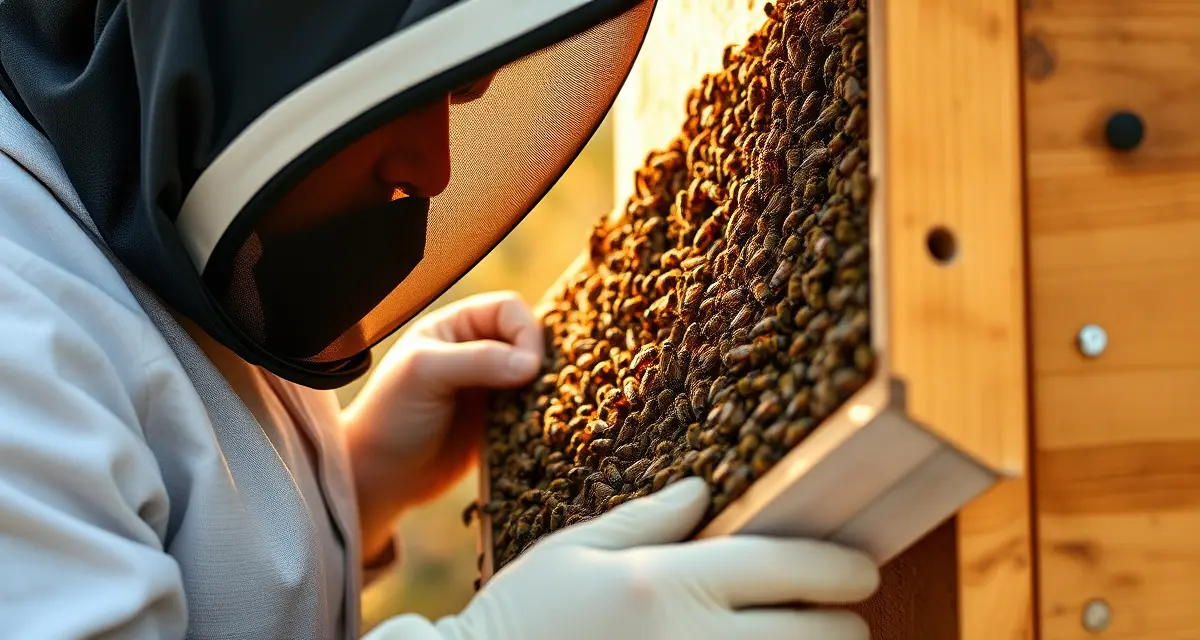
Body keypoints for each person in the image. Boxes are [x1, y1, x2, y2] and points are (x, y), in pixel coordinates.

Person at [0, 0, 882, 638]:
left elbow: (158, 525)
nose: (433, 167)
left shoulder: (151, 168)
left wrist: (359, 480)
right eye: (399, 90)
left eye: (453, 91)